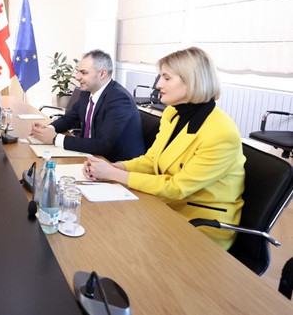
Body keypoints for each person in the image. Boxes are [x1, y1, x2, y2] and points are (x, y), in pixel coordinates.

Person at [84, 47, 245, 250]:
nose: (158, 84)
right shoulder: (172, 113)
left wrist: (113, 174)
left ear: (192, 80)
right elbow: (152, 159)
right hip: (165, 205)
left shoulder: (221, 133)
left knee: (118, 241)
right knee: (106, 227)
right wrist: (115, 167)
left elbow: (177, 188)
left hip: (201, 225)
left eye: (166, 78)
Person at [31, 49, 144, 162]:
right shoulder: (86, 93)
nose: (77, 77)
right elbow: (69, 119)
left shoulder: (119, 99)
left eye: (84, 73)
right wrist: (48, 129)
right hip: (91, 155)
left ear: (102, 73)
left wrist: (55, 138)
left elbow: (102, 144)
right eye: (78, 72)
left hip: (116, 163)